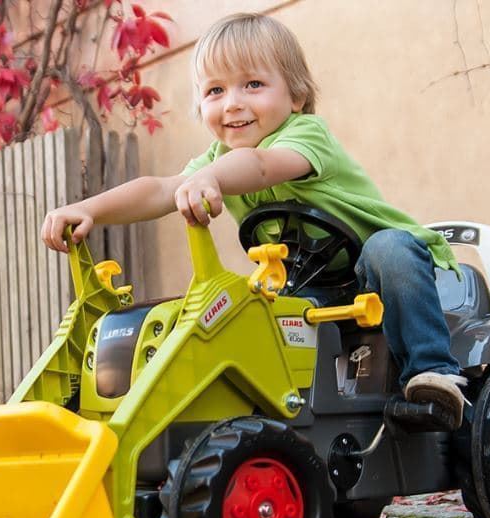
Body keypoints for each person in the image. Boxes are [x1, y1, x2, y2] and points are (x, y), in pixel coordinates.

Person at [40, 13, 468, 428]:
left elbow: (261, 166)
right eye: (215, 91)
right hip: (309, 286)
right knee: (251, 310)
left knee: (388, 247)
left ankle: (432, 374)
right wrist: (89, 209)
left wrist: (211, 178)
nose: (233, 103)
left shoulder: (304, 134)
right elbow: (158, 189)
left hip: (377, 273)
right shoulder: (217, 161)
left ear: (296, 95)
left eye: (253, 84)